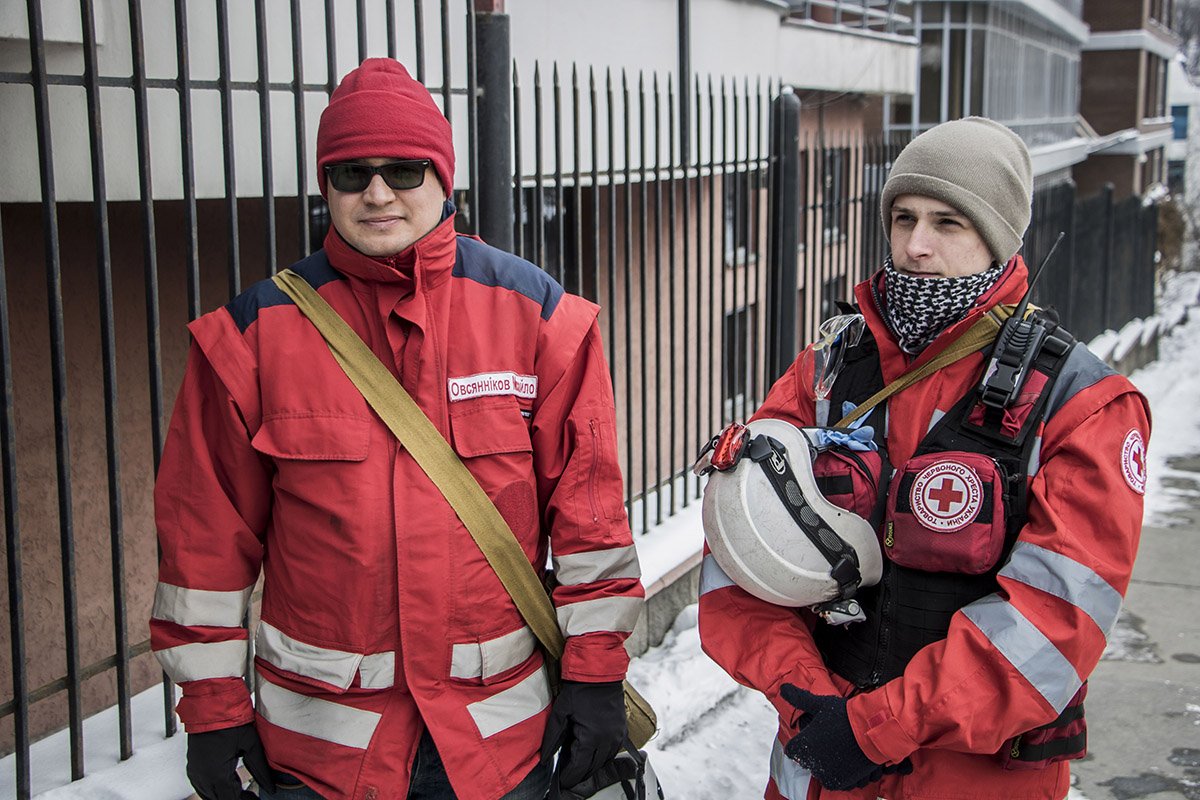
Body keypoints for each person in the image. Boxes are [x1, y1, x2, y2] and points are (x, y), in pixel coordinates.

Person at [150, 57, 644, 800]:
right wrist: (214, 715)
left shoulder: (539, 319)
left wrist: (597, 679)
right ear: (325, 187)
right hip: (322, 760)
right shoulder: (249, 339)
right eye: (351, 174)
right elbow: (202, 552)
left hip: (495, 746)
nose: (377, 193)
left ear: (445, 179)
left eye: (404, 170)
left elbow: (589, 520)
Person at [698, 117, 1150, 800]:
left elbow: (1055, 627)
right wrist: (811, 705)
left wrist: (875, 729)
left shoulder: (1083, 405)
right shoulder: (826, 373)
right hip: (820, 758)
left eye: (948, 222)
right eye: (903, 216)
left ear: (996, 237)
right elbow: (737, 561)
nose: (915, 245)